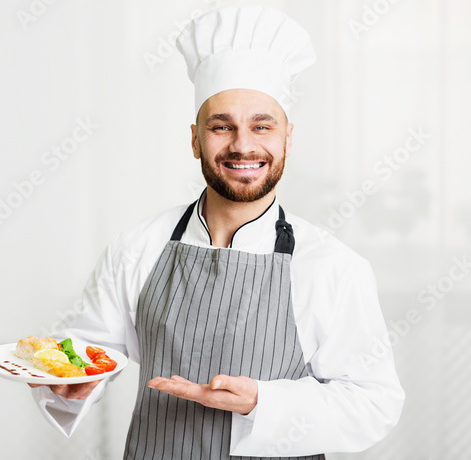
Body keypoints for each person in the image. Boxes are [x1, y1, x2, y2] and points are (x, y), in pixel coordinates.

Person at [27, 6, 404, 459]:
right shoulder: (136, 249)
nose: (243, 145)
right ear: (194, 140)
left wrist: (263, 403)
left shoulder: (333, 267)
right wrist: (69, 384)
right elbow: (85, 356)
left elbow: (373, 403)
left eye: (262, 126)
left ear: (287, 138)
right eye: (221, 126)